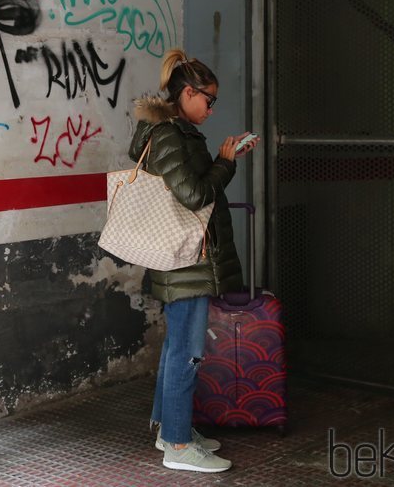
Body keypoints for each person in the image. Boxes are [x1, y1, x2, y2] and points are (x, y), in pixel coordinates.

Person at [129, 48, 258, 473]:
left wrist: (223, 160)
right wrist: (224, 164)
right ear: (187, 93)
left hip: (186, 259)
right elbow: (195, 194)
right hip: (184, 260)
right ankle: (179, 447)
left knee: (177, 346)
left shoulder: (176, 133)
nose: (211, 107)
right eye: (208, 99)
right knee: (187, 350)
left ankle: (173, 430)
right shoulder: (169, 135)